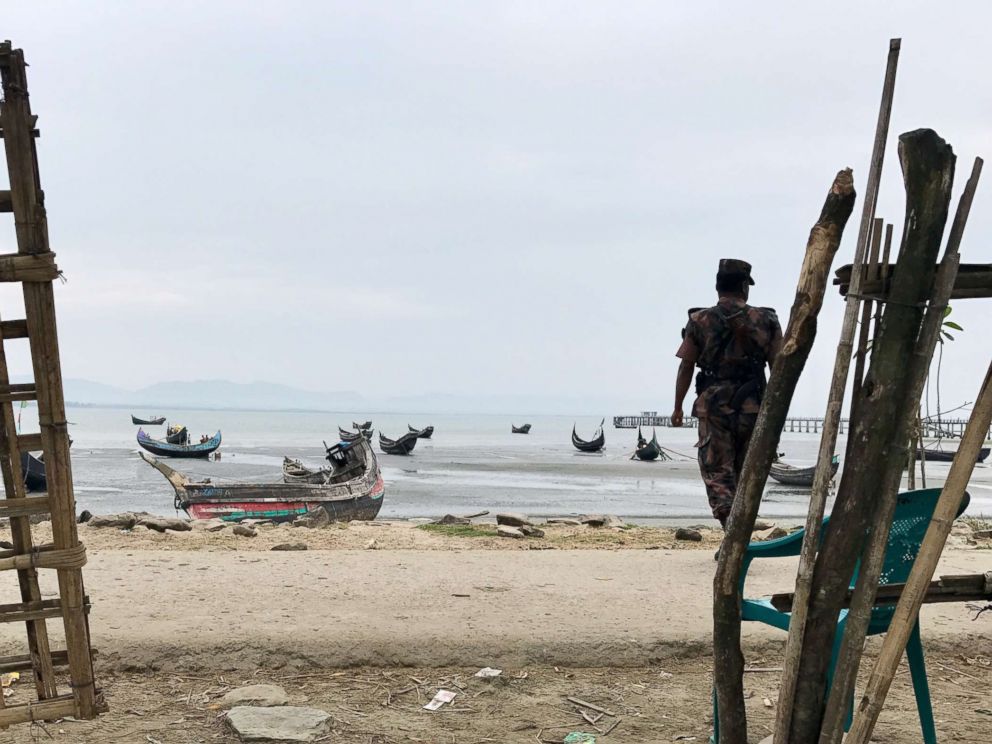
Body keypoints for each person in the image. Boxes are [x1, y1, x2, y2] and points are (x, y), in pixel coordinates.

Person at [671, 259, 782, 528]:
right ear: (744, 286)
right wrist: (775, 412)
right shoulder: (767, 320)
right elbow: (779, 367)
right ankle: (738, 532)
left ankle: (730, 530)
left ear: (718, 287)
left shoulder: (699, 320)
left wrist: (678, 407)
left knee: (717, 471)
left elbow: (686, 365)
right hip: (754, 406)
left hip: (714, 407)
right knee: (748, 471)